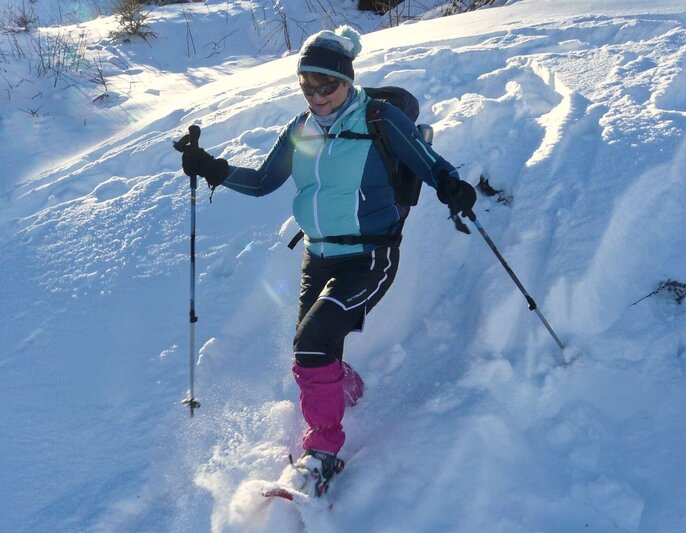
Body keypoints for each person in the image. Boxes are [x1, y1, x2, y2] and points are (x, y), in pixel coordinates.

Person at [178, 25, 476, 496]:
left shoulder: (379, 118)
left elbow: (428, 161)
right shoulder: (300, 128)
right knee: (312, 347)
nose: (316, 95)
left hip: (368, 255)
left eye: (326, 85)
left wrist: (453, 187)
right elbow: (261, 183)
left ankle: (322, 453)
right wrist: (212, 168)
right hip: (317, 258)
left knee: (313, 342)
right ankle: (343, 389)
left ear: (347, 80)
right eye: (306, 85)